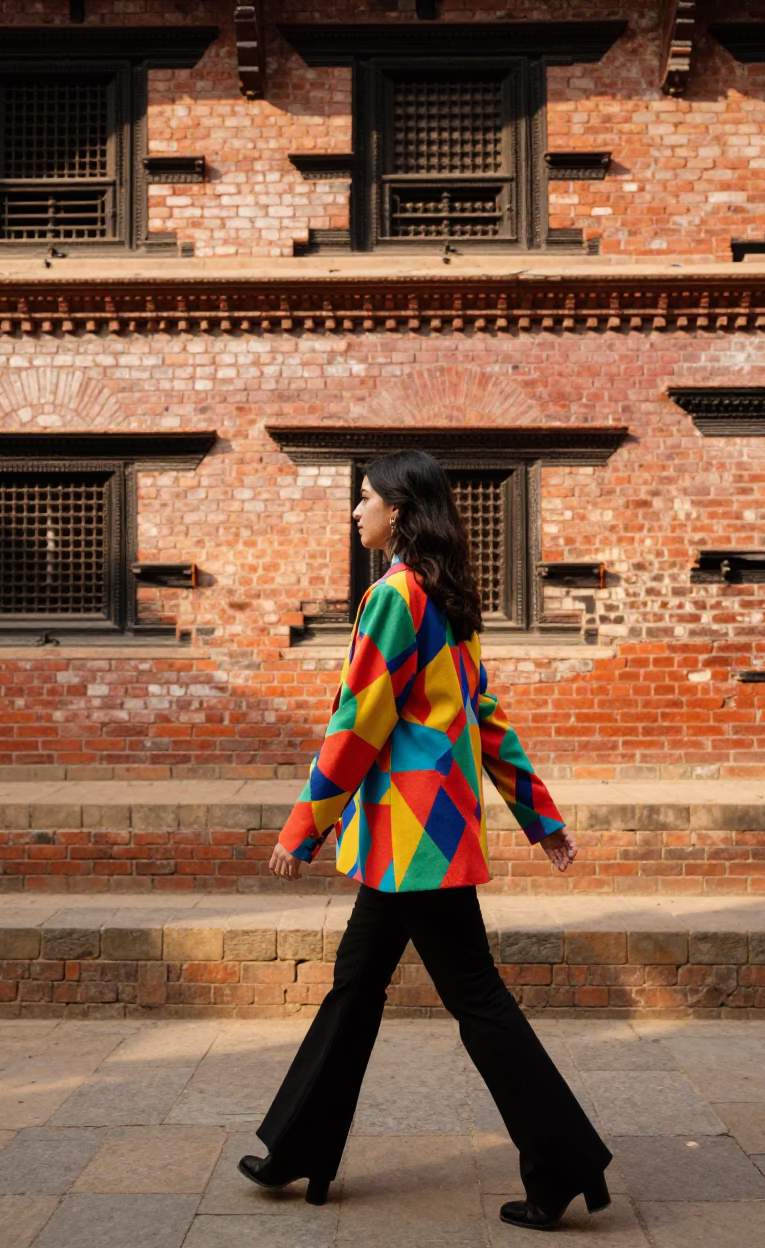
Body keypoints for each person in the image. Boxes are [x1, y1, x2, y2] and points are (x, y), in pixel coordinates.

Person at [238, 449, 613, 1230]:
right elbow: (487, 719)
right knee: (355, 986)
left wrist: (304, 826)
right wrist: (540, 818)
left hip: (412, 840)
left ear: (400, 511)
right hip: (423, 835)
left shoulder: (393, 597)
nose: (357, 512)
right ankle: (301, 1149)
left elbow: (358, 721)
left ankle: (564, 1163)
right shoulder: (447, 596)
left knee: (475, 999)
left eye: (366, 499)